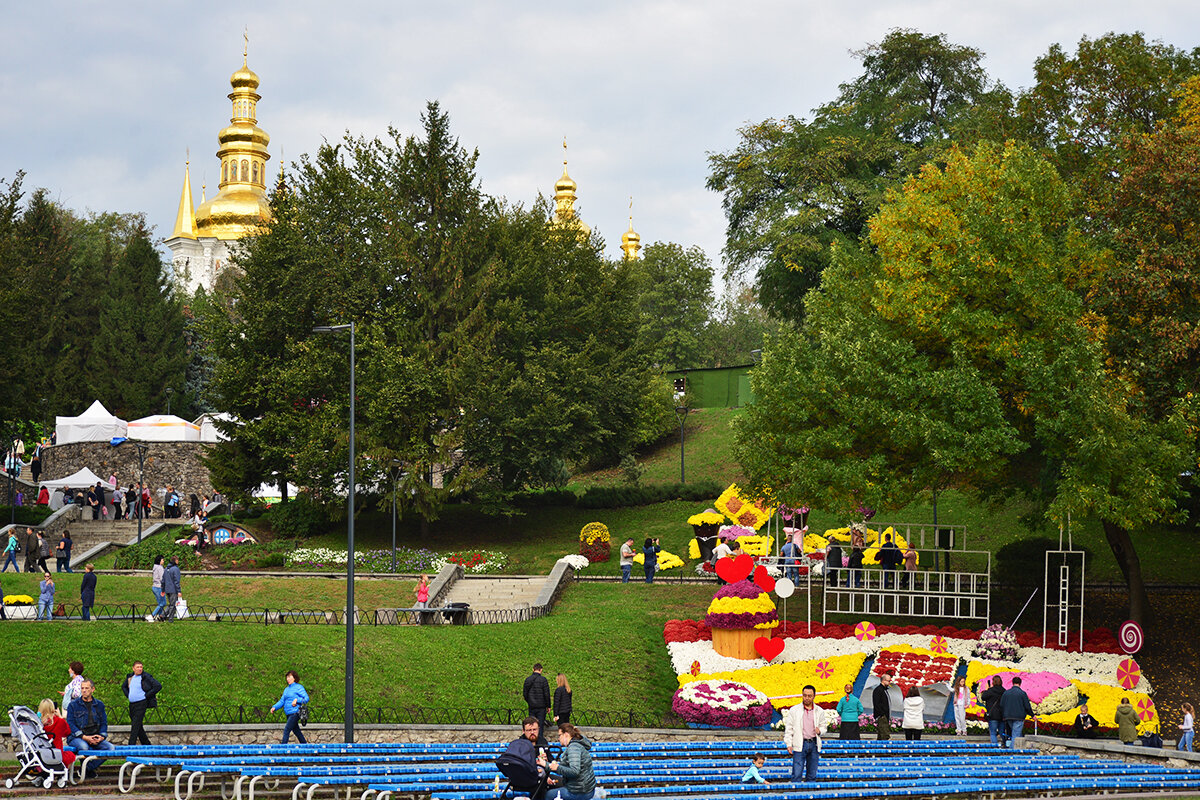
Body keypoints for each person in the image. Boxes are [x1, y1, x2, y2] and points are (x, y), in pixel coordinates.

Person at [66, 679, 114, 779]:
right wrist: (84, 737)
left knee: (110, 748)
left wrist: (101, 736)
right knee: (84, 747)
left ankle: (86, 768)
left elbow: (104, 723)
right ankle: (88, 770)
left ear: (92, 689)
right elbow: (70, 724)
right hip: (77, 737)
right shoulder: (73, 705)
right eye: (82, 688)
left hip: (95, 736)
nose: (84, 690)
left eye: (87, 688)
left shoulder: (99, 705)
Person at [784, 685, 828, 782]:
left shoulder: (819, 711)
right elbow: (789, 729)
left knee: (812, 774)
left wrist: (820, 731)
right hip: (800, 743)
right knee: (797, 773)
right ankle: (795, 795)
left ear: (814, 696)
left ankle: (809, 795)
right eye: (805, 695)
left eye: (809, 696)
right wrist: (788, 744)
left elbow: (824, 727)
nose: (807, 698)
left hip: (814, 743)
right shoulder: (794, 710)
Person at [543, 723, 596, 800]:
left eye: (560, 735)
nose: (558, 738)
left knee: (547, 795)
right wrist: (548, 765)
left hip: (579, 791)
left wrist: (555, 767)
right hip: (585, 788)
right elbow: (567, 768)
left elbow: (574, 771)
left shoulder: (573, 748)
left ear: (566, 734)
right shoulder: (577, 745)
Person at [504, 717, 550, 800]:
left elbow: (551, 760)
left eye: (535, 729)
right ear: (523, 731)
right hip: (527, 777)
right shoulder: (519, 744)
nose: (532, 732)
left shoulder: (543, 741)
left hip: (543, 774)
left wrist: (546, 761)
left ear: (539, 729)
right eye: (529, 730)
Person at [121, 660, 162, 745]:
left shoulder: (146, 677)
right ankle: (147, 744)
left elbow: (158, 686)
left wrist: (146, 695)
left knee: (135, 725)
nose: (140, 669)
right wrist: (128, 695)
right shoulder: (130, 677)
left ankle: (130, 746)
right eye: (138, 667)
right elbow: (124, 687)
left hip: (141, 703)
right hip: (132, 704)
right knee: (138, 726)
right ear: (133, 668)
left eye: (141, 667)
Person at [270, 669, 310, 744]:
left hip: (295, 713)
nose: (287, 679)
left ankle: (282, 749)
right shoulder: (286, 689)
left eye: (289, 677)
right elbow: (282, 701)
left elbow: (306, 698)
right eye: (287, 677)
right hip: (288, 713)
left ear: (294, 678)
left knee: (287, 730)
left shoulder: (299, 687)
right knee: (297, 732)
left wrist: (297, 700)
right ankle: (305, 745)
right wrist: (274, 707)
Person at [38, 699, 75, 770]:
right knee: (70, 755)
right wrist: (60, 716)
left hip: (42, 755)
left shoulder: (38, 723)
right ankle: (63, 774)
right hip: (57, 754)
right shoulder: (59, 721)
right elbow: (67, 732)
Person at [523, 663, 552, 745]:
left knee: (531, 724)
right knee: (540, 725)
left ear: (533, 669)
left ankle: (531, 742)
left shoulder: (528, 679)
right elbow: (546, 694)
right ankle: (539, 743)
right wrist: (548, 705)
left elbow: (525, 693)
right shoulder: (543, 680)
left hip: (532, 705)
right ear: (541, 670)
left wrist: (529, 701)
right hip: (541, 706)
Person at [1001, 676, 1034, 745]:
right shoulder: (1022, 693)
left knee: (1015, 733)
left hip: (1008, 716)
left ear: (1012, 683)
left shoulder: (1006, 693)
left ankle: (1016, 749)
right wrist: (1032, 715)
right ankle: (1012, 751)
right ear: (1020, 683)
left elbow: (1002, 705)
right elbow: (1027, 706)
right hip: (1019, 717)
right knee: (1016, 735)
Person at [980, 675, 1006, 746]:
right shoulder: (1004, 691)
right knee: (1002, 732)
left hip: (993, 715)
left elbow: (983, 697)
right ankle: (1005, 746)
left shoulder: (990, 691)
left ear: (993, 682)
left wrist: (987, 689)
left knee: (993, 733)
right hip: (1002, 715)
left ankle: (995, 748)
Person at [873, 671, 894, 740]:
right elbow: (876, 703)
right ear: (883, 680)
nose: (889, 682)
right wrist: (881, 714)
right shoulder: (878, 690)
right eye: (888, 681)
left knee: (881, 736)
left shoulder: (884, 690)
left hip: (884, 716)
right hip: (882, 716)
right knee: (884, 735)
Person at [161, 555, 181, 621]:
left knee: (171, 603)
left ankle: (163, 615)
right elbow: (176, 581)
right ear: (175, 561)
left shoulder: (166, 569)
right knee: (173, 605)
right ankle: (170, 618)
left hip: (167, 589)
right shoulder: (175, 569)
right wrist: (179, 591)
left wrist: (163, 589)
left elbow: (163, 580)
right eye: (177, 560)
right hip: (173, 589)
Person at [149, 555, 166, 621]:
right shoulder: (160, 568)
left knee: (160, 603)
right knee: (163, 603)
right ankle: (153, 615)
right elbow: (162, 578)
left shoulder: (155, 567)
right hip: (159, 587)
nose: (163, 561)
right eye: (162, 560)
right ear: (159, 561)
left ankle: (158, 616)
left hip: (155, 586)